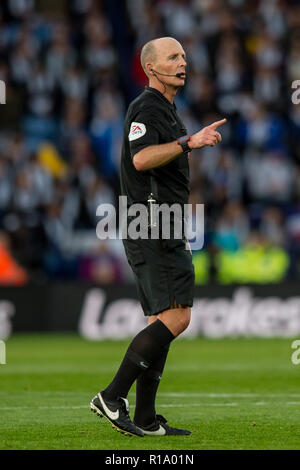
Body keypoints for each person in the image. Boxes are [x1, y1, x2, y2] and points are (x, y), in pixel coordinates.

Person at [90, 37, 226, 437]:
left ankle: (146, 418)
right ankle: (112, 396)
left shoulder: (165, 108)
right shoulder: (146, 107)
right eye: (173, 57)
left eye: (184, 55)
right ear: (151, 68)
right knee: (178, 316)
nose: (183, 61)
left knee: (160, 319)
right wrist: (189, 142)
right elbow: (141, 157)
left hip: (157, 221)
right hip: (152, 223)